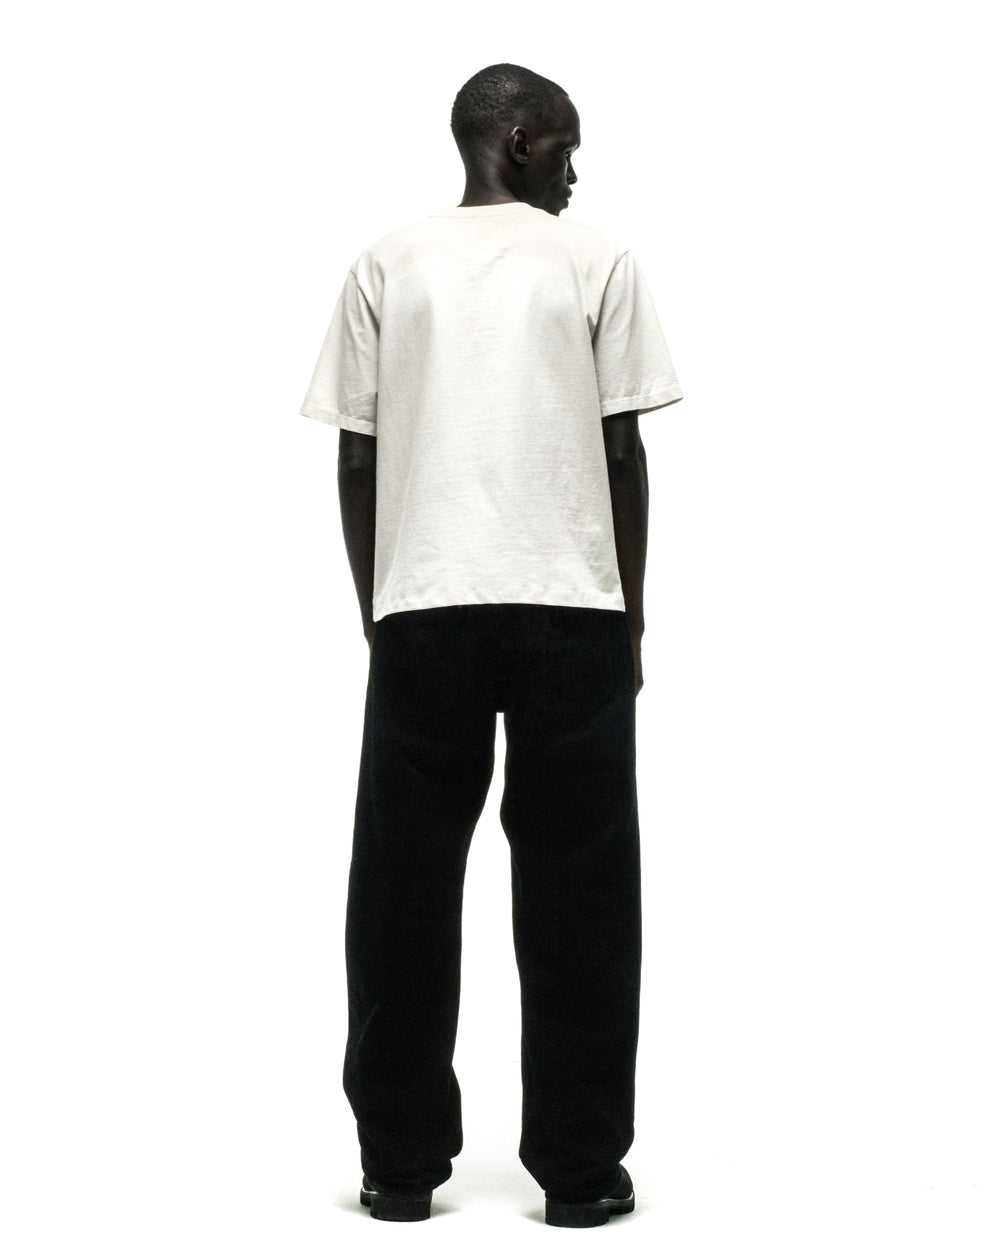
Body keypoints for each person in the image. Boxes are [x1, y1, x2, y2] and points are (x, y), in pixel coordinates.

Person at [300, 63, 682, 1227]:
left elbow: (356, 458)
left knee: (401, 887)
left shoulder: (386, 262)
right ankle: (580, 1170)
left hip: (426, 608)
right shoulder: (595, 260)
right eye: (565, 145)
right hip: (572, 608)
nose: (575, 170)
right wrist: (631, 613)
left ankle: (399, 1165)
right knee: (583, 890)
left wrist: (380, 610)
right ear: (516, 140)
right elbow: (620, 453)